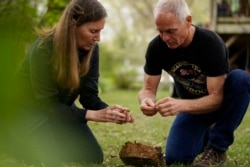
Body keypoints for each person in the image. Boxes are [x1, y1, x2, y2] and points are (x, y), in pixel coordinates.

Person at [2, 0, 134, 166]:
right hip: (27, 112)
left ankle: (47, 139)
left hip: (57, 114)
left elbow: (89, 97)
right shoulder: (43, 48)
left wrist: (110, 112)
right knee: (51, 159)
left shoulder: (92, 50)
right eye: (93, 31)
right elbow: (46, 104)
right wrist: (90, 114)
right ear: (73, 25)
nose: (98, 38)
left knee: (92, 155)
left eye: (100, 31)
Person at [138, 0, 250, 166]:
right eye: (160, 31)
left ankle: (217, 148)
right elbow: (147, 89)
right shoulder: (156, 47)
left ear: (188, 21)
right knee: (175, 158)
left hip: (221, 105)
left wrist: (180, 105)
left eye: (171, 31)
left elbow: (216, 99)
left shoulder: (210, 43)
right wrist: (146, 100)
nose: (165, 38)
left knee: (241, 78)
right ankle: (204, 135)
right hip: (192, 110)